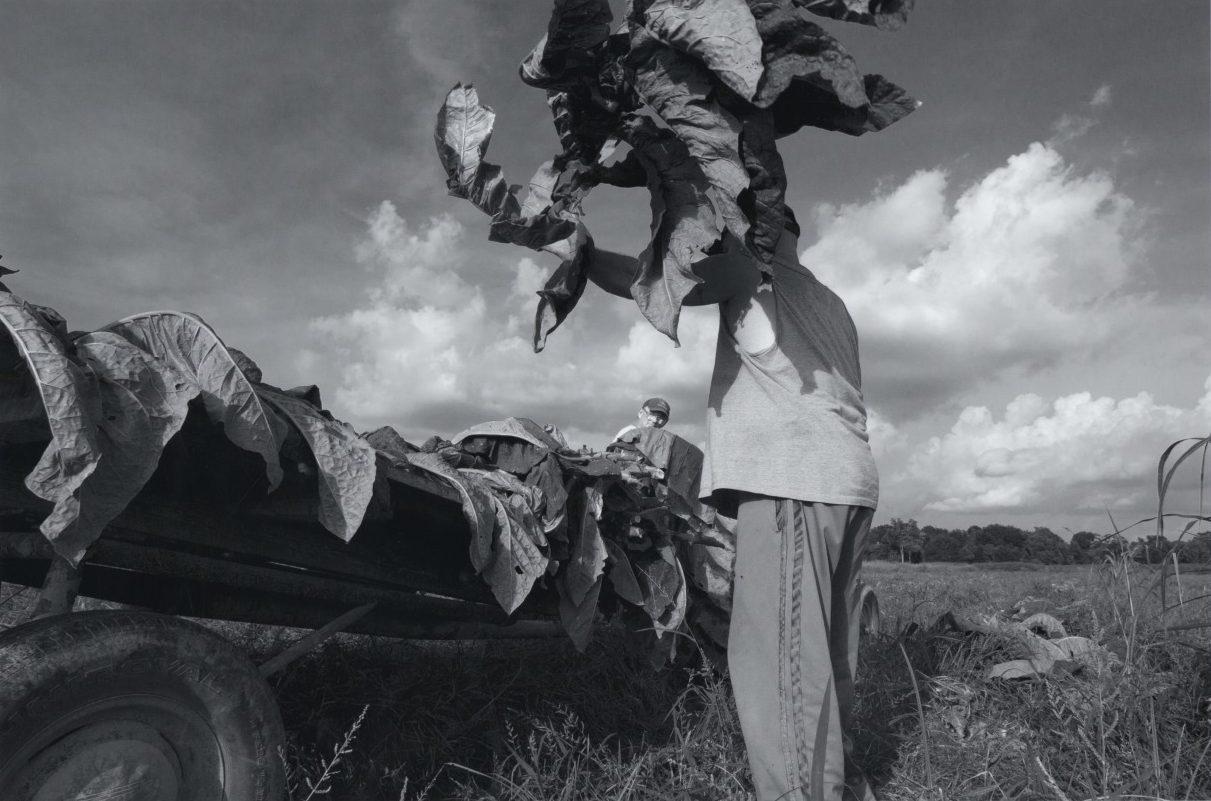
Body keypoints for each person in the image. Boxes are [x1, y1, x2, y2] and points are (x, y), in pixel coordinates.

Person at [549, 212, 879, 801]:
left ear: (763, 230)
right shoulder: (831, 302)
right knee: (829, 656)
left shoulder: (753, 271)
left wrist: (584, 253)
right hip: (849, 483)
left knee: (782, 667)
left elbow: (648, 282)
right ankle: (843, 782)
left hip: (791, 482)